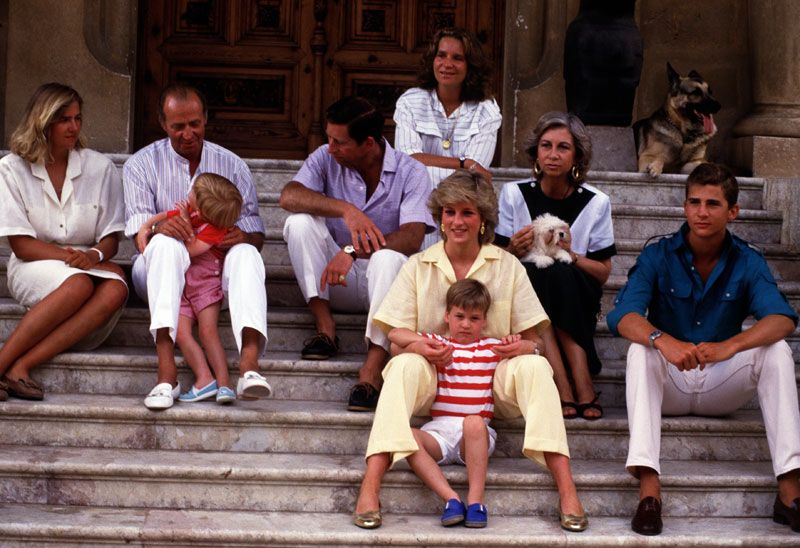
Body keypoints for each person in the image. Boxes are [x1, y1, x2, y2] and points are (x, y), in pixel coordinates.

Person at [352, 170, 587, 532]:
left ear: (483, 221)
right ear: (439, 218)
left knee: (537, 368)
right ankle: (371, 481)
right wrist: (420, 344)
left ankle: (566, 484)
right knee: (401, 365)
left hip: (492, 380)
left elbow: (534, 338)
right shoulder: (419, 265)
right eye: (449, 213)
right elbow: (395, 333)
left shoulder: (506, 265)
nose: (456, 221)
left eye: (467, 213)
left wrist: (516, 347)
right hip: (436, 380)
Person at [606, 163, 800, 536]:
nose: (701, 212)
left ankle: (789, 488)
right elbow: (622, 314)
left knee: (776, 350)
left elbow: (783, 318)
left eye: (713, 204)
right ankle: (649, 487)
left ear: (733, 212)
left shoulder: (747, 260)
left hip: (721, 384)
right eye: (694, 202)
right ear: (684, 207)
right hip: (671, 383)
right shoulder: (658, 255)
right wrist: (663, 340)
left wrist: (733, 345)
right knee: (640, 350)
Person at [279, 96, 434, 411]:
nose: (330, 147)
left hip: (387, 288)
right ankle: (326, 329)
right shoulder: (326, 157)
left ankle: (372, 369)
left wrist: (352, 249)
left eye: (339, 142)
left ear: (368, 144)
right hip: (335, 281)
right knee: (299, 223)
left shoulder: (412, 171)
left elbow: (413, 237)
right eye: (329, 139)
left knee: (389, 259)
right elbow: (288, 196)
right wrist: (346, 210)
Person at [123, 83, 270, 410]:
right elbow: (139, 235)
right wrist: (161, 227)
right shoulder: (140, 165)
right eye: (178, 126)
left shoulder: (231, 164)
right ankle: (166, 373)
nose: (188, 133)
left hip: (210, 280)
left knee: (246, 253)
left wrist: (242, 237)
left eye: (194, 124)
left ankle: (249, 365)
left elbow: (256, 232)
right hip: (157, 272)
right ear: (163, 124)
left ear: (205, 119)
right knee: (166, 245)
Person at [0, 83, 128, 401]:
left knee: (117, 286)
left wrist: (95, 254)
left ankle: (21, 366)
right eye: (64, 120)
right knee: (80, 284)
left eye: (77, 118)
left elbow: (112, 236)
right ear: (43, 123)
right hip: (34, 262)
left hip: (86, 262)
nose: (74, 127)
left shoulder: (100, 168)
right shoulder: (11, 169)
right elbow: (21, 245)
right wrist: (71, 258)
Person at [495, 111, 614, 420]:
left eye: (563, 147)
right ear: (536, 151)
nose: (553, 154)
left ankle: (568, 384)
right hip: (528, 290)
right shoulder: (514, 194)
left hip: (577, 291)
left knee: (557, 271)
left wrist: (572, 255)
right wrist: (512, 248)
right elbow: (498, 263)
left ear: (577, 156)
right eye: (546, 145)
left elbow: (602, 273)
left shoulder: (596, 201)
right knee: (539, 271)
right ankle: (576, 381)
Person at [388, 279, 511, 528]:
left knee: (474, 422)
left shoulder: (492, 347)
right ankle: (451, 499)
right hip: (440, 434)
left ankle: (476, 501)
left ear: (484, 321)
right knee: (405, 435)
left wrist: (518, 341)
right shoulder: (437, 344)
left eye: (474, 318)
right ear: (447, 316)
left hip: (475, 437)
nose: (466, 324)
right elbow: (393, 336)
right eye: (459, 316)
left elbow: (532, 347)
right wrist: (421, 347)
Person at [136, 173, 243, 404]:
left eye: (193, 192)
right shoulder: (192, 213)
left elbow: (191, 249)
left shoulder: (214, 228)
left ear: (204, 210)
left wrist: (184, 219)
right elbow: (164, 216)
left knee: (208, 333)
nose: (189, 192)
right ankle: (204, 378)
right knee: (182, 333)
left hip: (206, 286)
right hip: (183, 287)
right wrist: (147, 226)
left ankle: (224, 384)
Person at [393, 27, 501, 248]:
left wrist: (430, 167)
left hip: (460, 208)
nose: (447, 64)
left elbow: (473, 178)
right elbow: (407, 160)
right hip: (415, 205)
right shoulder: (410, 102)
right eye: (441, 55)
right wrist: (463, 163)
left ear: (470, 66)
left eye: (457, 58)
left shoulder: (486, 110)